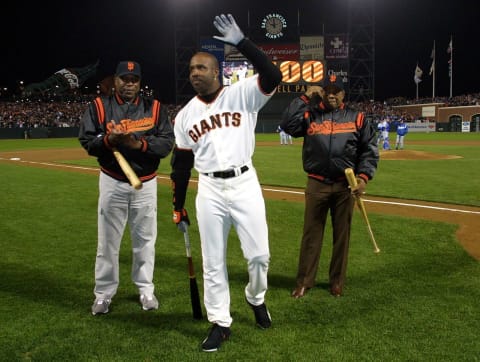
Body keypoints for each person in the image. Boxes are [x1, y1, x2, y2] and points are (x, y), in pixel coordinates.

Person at [170, 14, 282, 352]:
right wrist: (177, 205)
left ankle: (255, 296)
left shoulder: (243, 94)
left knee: (260, 255)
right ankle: (220, 321)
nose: (194, 73)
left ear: (216, 71)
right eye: (191, 69)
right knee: (212, 260)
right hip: (210, 190)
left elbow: (274, 75)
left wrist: (242, 43)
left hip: (245, 182)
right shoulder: (185, 115)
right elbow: (181, 165)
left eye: (201, 68)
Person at [78, 60, 174, 315]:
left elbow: (166, 143)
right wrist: (108, 140)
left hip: (147, 182)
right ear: (116, 81)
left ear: (140, 83)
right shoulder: (99, 107)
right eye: (124, 79)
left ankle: (145, 289)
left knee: (145, 241)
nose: (129, 84)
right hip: (112, 180)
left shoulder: (154, 108)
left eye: (134, 80)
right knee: (108, 242)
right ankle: (103, 293)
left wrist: (138, 145)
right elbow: (87, 140)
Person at [280, 74, 379, 299]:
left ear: (344, 93)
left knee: (341, 236)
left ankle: (337, 281)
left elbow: (369, 149)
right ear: (321, 91)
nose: (332, 94)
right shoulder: (309, 114)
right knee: (311, 235)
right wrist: (305, 97)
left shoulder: (357, 117)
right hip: (317, 183)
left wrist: (363, 177)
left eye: (337, 90)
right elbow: (286, 125)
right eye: (328, 90)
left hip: (346, 185)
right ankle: (304, 281)